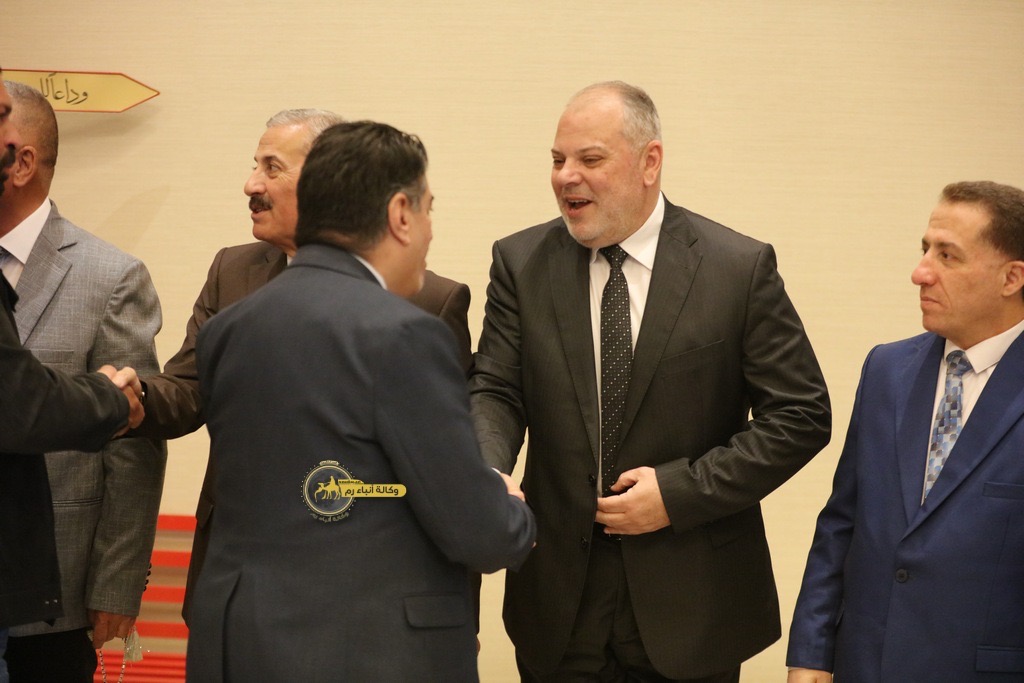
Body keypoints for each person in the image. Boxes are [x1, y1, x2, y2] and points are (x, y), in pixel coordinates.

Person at [469, 81, 831, 682]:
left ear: (649, 162)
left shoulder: (736, 268)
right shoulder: (520, 262)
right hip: (558, 601)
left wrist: (680, 493)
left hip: (692, 603)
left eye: (589, 159)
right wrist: (488, 470)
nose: (566, 177)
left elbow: (800, 415)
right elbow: (496, 390)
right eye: (558, 160)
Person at [186, 121, 535, 681]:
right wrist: (509, 508)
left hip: (235, 642)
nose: (429, 231)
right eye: (428, 210)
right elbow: (475, 530)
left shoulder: (228, 330)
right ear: (400, 214)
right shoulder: (404, 335)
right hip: (364, 651)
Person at [130, 109, 473, 623]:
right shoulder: (233, 272)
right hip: (237, 576)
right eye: (255, 166)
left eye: (272, 168)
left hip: (364, 591)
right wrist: (131, 399)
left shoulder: (430, 303)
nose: (251, 184)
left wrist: (454, 614)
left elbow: (445, 474)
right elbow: (188, 389)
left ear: (325, 180)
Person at [787, 181, 1024, 682]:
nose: (920, 273)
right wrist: (811, 653)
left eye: (947, 256)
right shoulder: (887, 370)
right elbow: (841, 524)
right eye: (924, 250)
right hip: (864, 666)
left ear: (1012, 278)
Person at [0, 81, 165, 682]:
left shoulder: (110, 276)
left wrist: (116, 584)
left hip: (54, 596)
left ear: (22, 162)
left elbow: (134, 442)